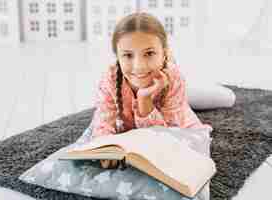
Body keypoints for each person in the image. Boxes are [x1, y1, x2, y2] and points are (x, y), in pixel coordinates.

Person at [90, 13, 212, 169]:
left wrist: (144, 100)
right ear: (118, 57)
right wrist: (105, 147)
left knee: (226, 99)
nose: (139, 66)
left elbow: (166, 136)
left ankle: (196, 96)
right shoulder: (110, 79)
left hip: (175, 103)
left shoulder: (174, 78)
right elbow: (103, 120)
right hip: (173, 100)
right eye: (127, 55)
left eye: (149, 53)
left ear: (164, 53)